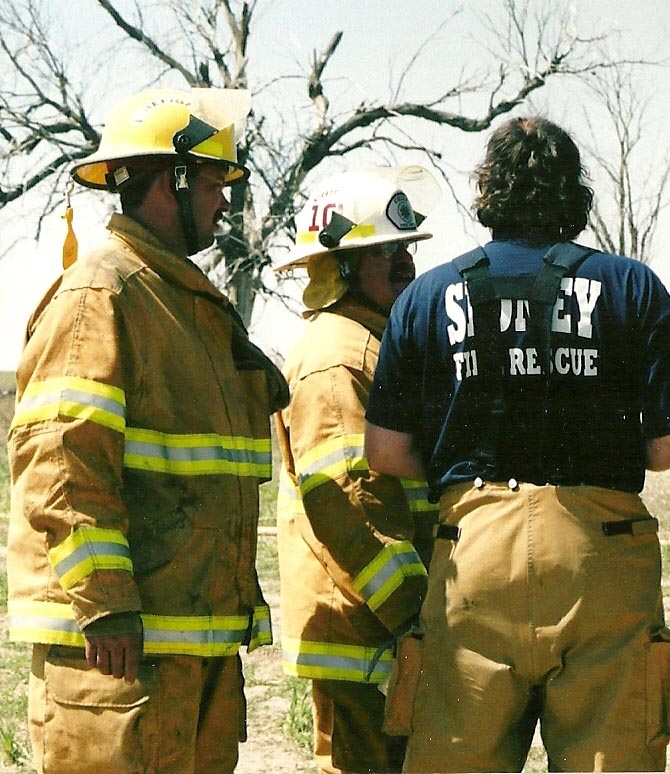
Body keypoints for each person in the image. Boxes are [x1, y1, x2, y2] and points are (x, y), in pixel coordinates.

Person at [363, 115, 670, 772]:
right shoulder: (632, 286)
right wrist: (601, 460)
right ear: (573, 194)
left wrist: (462, 473)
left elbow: (384, 451)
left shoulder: (427, 296)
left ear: (488, 191)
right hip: (598, 555)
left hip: (474, 552)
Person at [6, 87, 288, 773]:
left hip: (186, 644)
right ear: (176, 180)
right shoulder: (103, 292)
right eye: (218, 182)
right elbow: (61, 461)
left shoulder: (177, 299)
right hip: (121, 655)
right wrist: (105, 605)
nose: (226, 203)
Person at [271, 167, 441, 773]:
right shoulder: (334, 358)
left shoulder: (375, 345)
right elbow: (348, 504)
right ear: (339, 266)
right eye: (384, 252)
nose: (405, 265)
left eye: (404, 249)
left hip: (384, 629)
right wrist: (413, 614)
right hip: (366, 630)